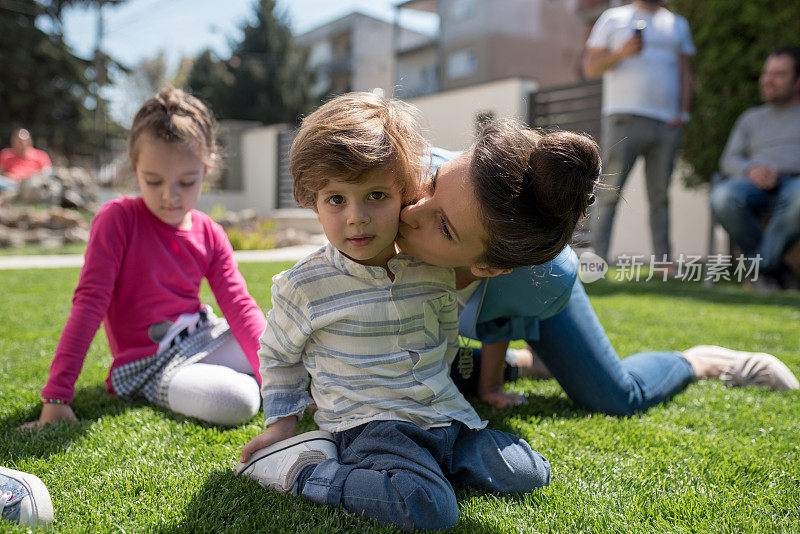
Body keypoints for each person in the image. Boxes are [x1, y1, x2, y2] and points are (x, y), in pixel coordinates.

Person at [236, 93, 551, 531]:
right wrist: (281, 424)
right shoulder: (303, 286)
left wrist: (463, 383)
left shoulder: (432, 270)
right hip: (369, 424)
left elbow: (447, 336)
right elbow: (278, 356)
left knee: (528, 472)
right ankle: (306, 472)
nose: (357, 218)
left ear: (405, 194)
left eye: (376, 195)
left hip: (444, 415)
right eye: (336, 200)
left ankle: (435, 465)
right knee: (428, 510)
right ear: (313, 201)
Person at [394, 117, 799, 414]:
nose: (411, 211)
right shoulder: (399, 183)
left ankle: (700, 360)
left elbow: (501, 315)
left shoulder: (529, 277)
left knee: (616, 399)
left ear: (488, 265)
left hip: (536, 287)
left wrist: (491, 385)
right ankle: (533, 363)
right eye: (432, 184)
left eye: (444, 226)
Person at [22, 87, 265, 429]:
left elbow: (240, 306)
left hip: (205, 337)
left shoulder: (210, 232)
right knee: (237, 402)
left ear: (206, 170)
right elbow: (89, 303)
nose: (170, 195)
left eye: (187, 181)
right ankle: (249, 382)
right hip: (151, 364)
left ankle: (273, 382)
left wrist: (285, 378)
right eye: (153, 181)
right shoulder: (118, 219)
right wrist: (57, 396)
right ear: (135, 168)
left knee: (284, 341)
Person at [583, 0, 695, 263]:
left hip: (667, 123)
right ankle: (598, 258)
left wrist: (684, 112)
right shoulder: (613, 18)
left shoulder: (678, 24)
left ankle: (664, 261)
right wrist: (621, 53)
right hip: (624, 117)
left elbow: (685, 72)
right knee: (610, 190)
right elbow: (590, 68)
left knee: (660, 197)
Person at [710, 45, 800, 290]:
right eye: (767, 73)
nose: (768, 80)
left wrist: (780, 169)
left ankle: (761, 270)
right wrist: (752, 169)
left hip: (795, 182)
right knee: (723, 197)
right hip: (753, 182)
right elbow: (728, 160)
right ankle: (776, 271)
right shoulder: (751, 118)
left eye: (779, 75)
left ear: (797, 81)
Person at [0, 128, 52, 195]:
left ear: (30, 141)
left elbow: (47, 173)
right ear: (12, 141)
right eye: (18, 141)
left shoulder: (40, 155)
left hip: (30, 184)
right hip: (10, 183)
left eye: (23, 141)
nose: (21, 143)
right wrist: (9, 176)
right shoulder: (6, 154)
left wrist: (26, 177)